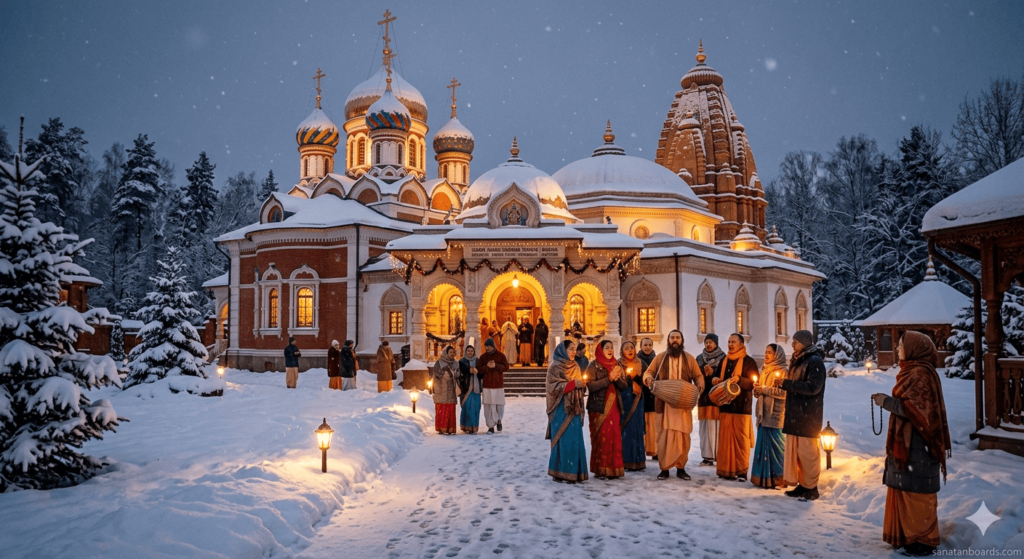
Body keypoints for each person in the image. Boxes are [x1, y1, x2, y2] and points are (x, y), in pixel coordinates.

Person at [872, 331, 950, 557]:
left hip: (919, 445)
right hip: (911, 445)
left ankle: (922, 540)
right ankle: (907, 536)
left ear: (915, 348)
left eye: (901, 346)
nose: (897, 349)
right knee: (907, 489)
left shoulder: (920, 374)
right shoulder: (913, 372)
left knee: (917, 493)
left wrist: (885, 401)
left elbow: (914, 410)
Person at [643, 330, 703, 480]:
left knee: (683, 437)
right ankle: (664, 469)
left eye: (677, 337)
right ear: (668, 340)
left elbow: (698, 376)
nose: (675, 340)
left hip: (683, 405)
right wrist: (648, 378)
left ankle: (681, 468)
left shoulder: (689, 358)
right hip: (663, 405)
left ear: (681, 340)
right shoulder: (660, 358)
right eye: (672, 337)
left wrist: (699, 387)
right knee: (664, 437)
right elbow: (648, 372)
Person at [780, 329, 827, 501]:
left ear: (805, 343)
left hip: (808, 416)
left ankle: (811, 487)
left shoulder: (814, 362)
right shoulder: (798, 360)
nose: (792, 345)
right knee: (798, 453)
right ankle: (802, 484)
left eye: (796, 342)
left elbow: (813, 387)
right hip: (796, 414)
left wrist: (787, 384)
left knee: (808, 454)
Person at [713, 333, 758, 481]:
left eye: (733, 342)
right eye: (729, 341)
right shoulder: (723, 361)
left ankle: (741, 472)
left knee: (741, 441)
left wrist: (739, 380)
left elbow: (753, 384)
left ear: (741, 344)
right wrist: (715, 379)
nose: (730, 344)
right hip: (725, 405)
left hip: (742, 406)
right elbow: (717, 378)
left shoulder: (749, 361)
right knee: (725, 440)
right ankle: (726, 470)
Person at [546, 340, 588, 483]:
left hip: (574, 408)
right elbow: (553, 387)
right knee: (562, 439)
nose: (573, 352)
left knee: (574, 439)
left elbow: (578, 384)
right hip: (560, 408)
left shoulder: (575, 365)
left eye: (575, 349)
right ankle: (560, 471)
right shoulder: (555, 367)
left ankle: (574, 472)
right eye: (571, 349)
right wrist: (572, 384)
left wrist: (582, 385)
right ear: (563, 350)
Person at [585, 340, 628, 479]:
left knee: (614, 436)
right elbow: (591, 386)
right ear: (600, 350)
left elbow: (623, 386)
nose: (610, 350)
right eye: (607, 347)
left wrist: (616, 379)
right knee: (601, 437)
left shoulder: (617, 365)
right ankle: (601, 468)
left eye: (612, 347)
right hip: (598, 407)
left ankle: (614, 469)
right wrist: (609, 378)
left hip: (614, 406)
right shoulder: (593, 365)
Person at [751, 344, 788, 489]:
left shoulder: (783, 371)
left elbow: (784, 393)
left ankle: (779, 478)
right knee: (762, 447)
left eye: (770, 353)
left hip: (775, 414)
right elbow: (761, 389)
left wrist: (765, 389)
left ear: (777, 355)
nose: (766, 355)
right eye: (765, 352)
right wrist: (757, 391)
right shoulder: (764, 370)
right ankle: (762, 478)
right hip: (763, 413)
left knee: (777, 448)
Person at [696, 334, 725, 466]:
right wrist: (703, 375)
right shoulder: (700, 358)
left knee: (717, 427)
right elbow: (696, 376)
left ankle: (719, 454)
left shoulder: (723, 358)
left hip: (717, 397)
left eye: (711, 342)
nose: (708, 344)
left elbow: (724, 377)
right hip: (703, 397)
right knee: (705, 428)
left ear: (716, 344)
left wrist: (712, 375)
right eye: (706, 342)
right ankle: (707, 456)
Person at [618, 341, 646, 471]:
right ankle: (626, 460)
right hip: (624, 401)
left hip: (637, 402)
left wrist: (637, 378)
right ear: (622, 351)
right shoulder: (618, 364)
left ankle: (638, 460)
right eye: (626, 348)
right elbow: (616, 382)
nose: (630, 350)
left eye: (632, 348)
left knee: (637, 430)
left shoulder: (641, 363)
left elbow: (648, 381)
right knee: (626, 431)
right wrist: (629, 381)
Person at [481, 338, 510, 433]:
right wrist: (487, 367)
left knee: (499, 405)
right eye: (486, 346)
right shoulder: (483, 357)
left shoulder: (501, 356)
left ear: (493, 346)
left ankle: (498, 420)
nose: (487, 348)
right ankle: (490, 426)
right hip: (487, 385)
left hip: (498, 385)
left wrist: (496, 366)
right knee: (488, 406)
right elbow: (479, 369)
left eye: (489, 346)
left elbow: (506, 367)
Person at [637, 337, 658, 460]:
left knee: (654, 428)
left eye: (650, 344)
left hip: (654, 397)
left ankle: (655, 451)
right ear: (640, 346)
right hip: (641, 398)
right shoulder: (637, 361)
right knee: (643, 426)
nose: (647, 347)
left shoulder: (657, 360)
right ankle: (642, 450)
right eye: (645, 345)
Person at [431, 346, 459, 435]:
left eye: (453, 352)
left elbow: (458, 373)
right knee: (442, 409)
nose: (452, 354)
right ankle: (441, 428)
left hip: (451, 389)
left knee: (450, 409)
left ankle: (450, 429)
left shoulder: (456, 363)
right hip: (441, 389)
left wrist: (455, 374)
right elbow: (435, 374)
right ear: (446, 353)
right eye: (450, 352)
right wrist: (443, 374)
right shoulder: (439, 362)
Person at [458, 345, 484, 434]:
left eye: (471, 351)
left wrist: (478, 372)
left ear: (474, 352)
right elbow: (462, 371)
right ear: (466, 352)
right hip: (466, 388)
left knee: (476, 408)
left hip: (476, 388)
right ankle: (466, 426)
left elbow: (481, 373)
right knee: (467, 407)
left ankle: (474, 427)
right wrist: (470, 370)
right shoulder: (462, 361)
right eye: (468, 351)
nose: (470, 352)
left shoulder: (478, 361)